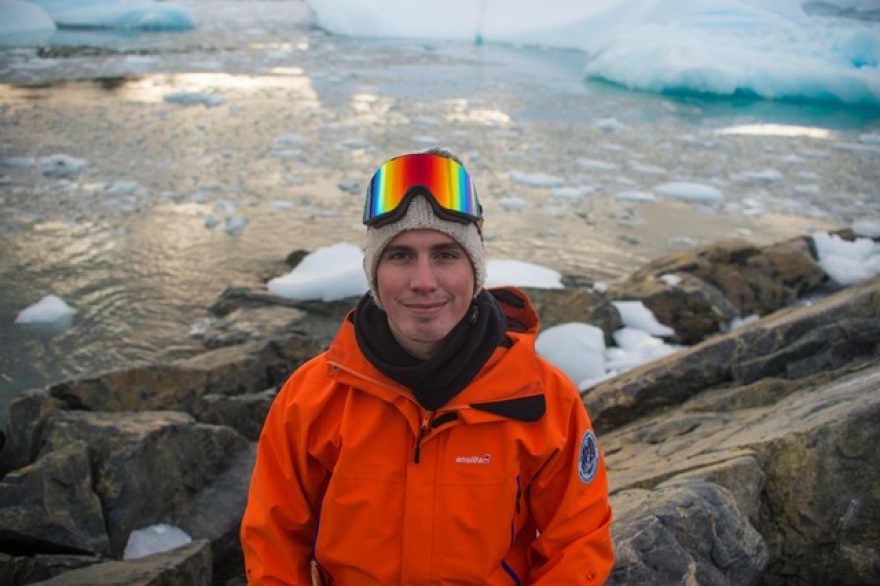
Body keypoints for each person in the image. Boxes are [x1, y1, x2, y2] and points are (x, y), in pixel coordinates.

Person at [240, 147, 614, 584]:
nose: (423, 282)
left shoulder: (542, 400)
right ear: (374, 271)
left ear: (474, 269)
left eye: (445, 255)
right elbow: (273, 542)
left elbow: (577, 542)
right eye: (400, 256)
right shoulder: (313, 396)